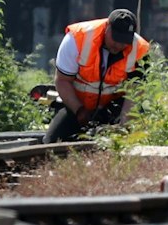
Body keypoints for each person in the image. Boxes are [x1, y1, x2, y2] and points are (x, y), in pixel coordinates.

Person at [45, 8, 149, 143]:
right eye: (116, 39)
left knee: (133, 141)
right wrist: (79, 110)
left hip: (114, 109)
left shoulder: (141, 50)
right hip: (78, 106)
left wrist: (123, 128)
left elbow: (135, 93)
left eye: (124, 41)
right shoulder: (77, 39)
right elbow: (63, 81)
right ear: (107, 27)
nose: (119, 45)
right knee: (52, 143)